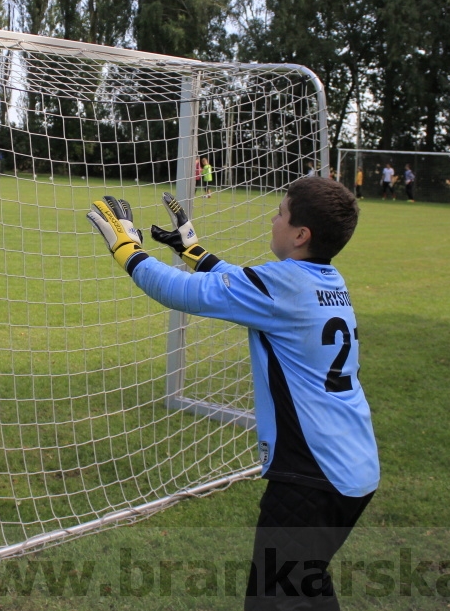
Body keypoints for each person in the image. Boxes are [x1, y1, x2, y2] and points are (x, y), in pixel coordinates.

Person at [87, 178, 379, 610]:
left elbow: (182, 292)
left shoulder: (284, 286)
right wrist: (194, 252)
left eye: (281, 212)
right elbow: (245, 283)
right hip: (353, 467)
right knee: (303, 588)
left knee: (272, 601)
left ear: (301, 235)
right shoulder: (325, 280)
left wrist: (127, 248)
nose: (273, 218)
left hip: (312, 475)